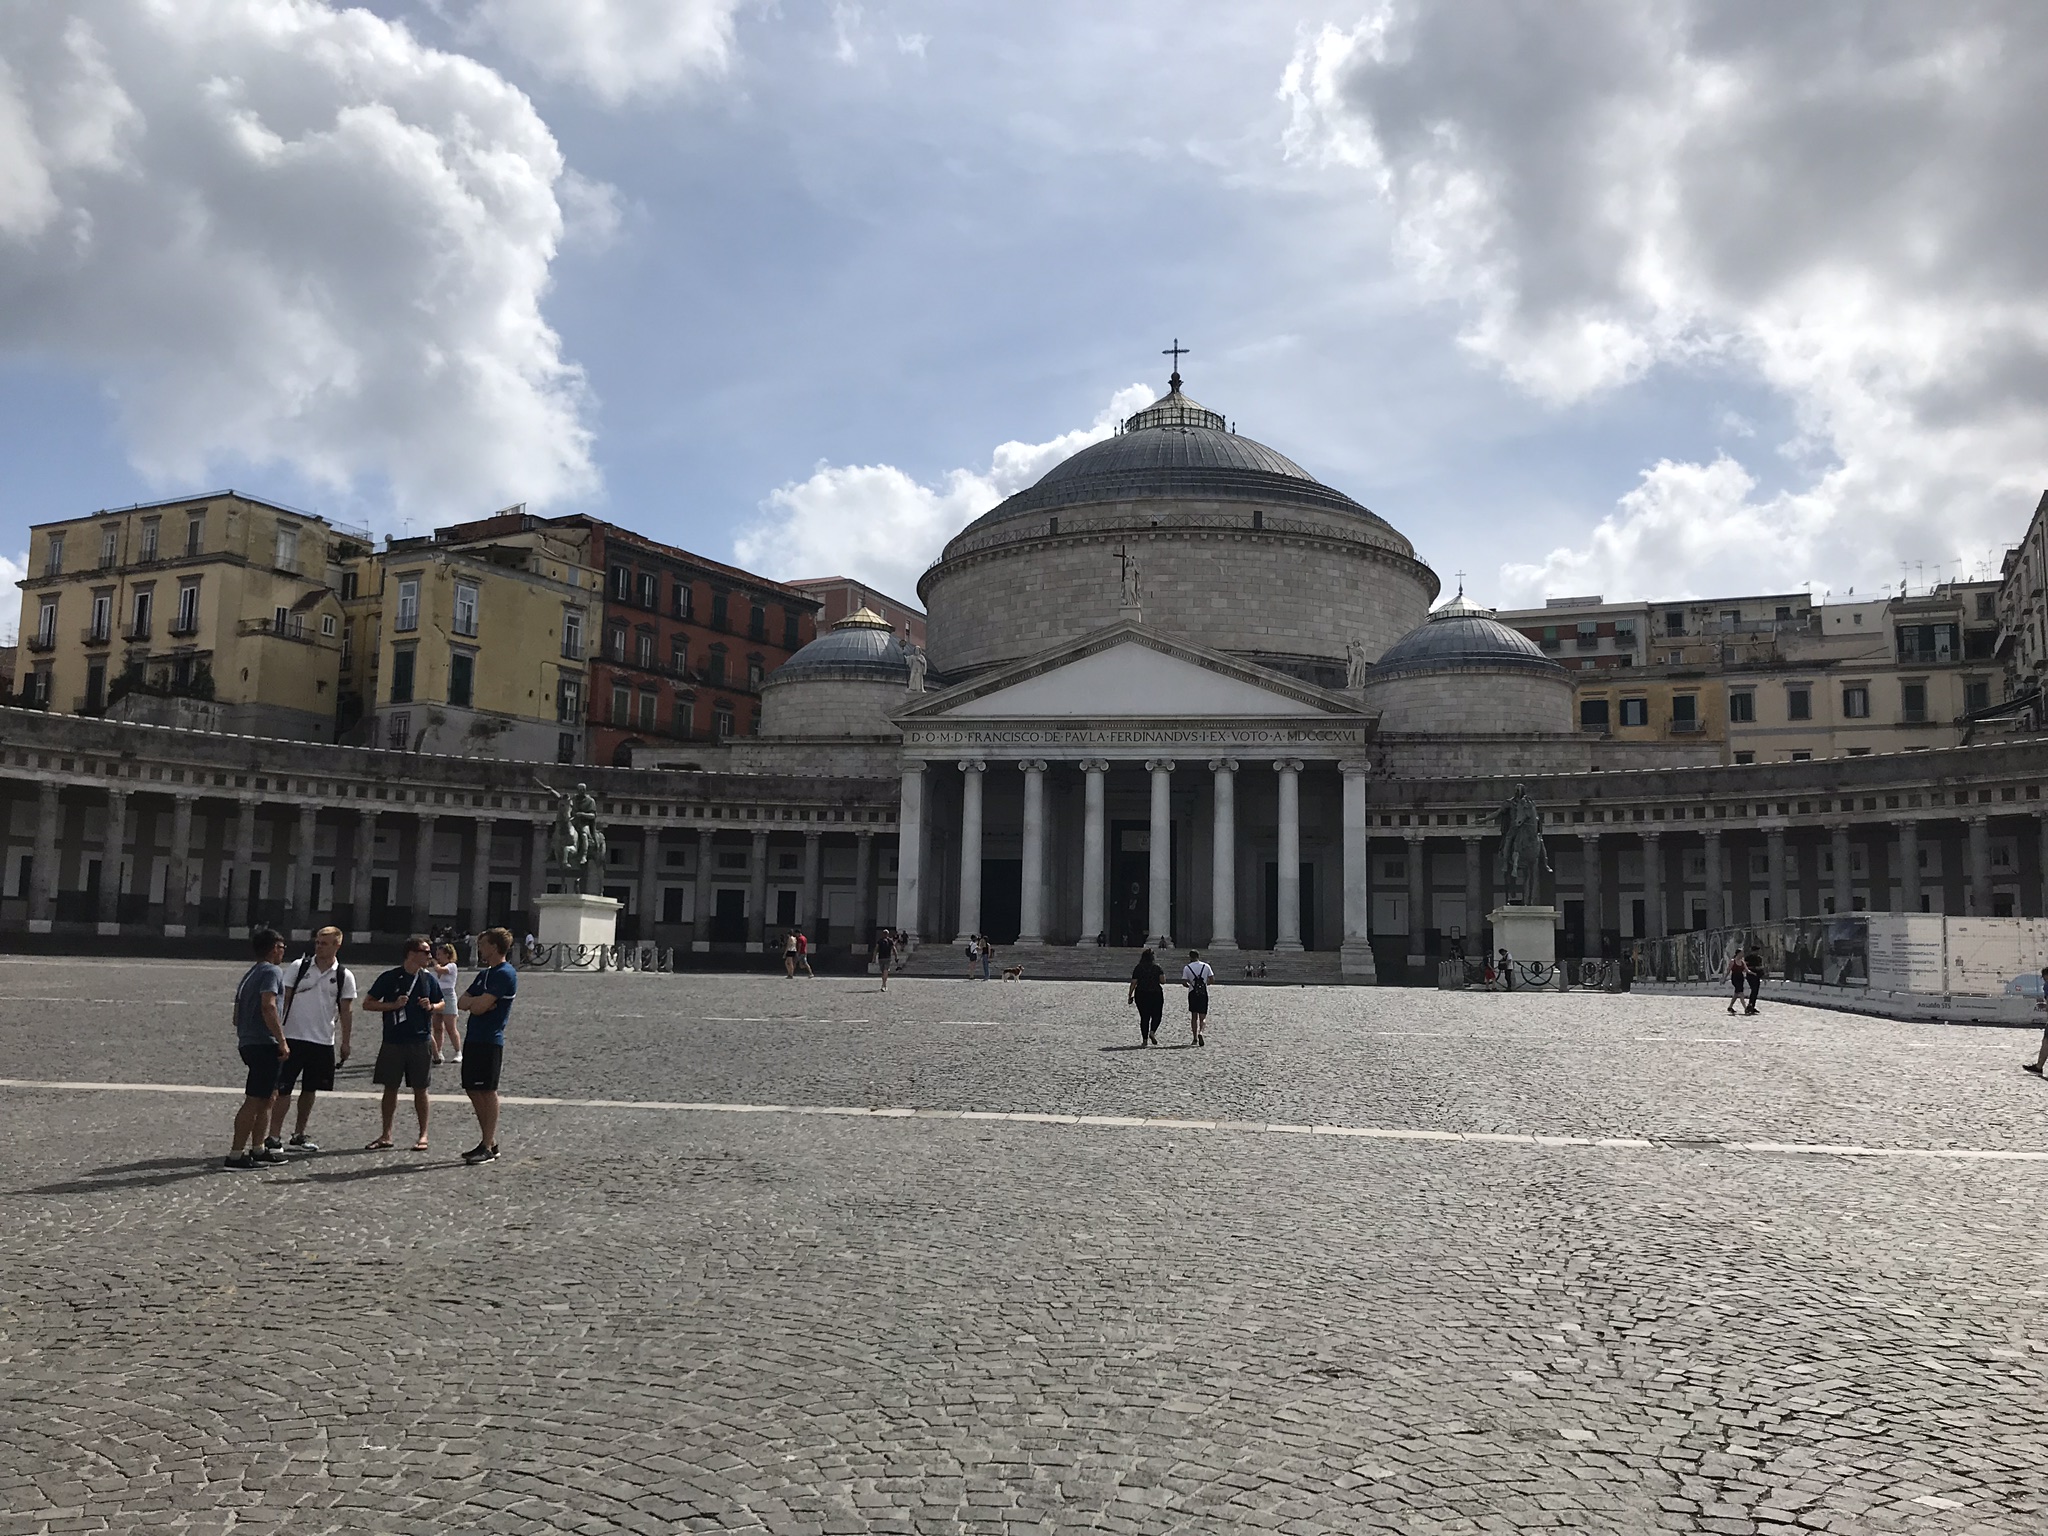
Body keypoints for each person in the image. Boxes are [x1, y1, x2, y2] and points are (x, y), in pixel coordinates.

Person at [265, 925, 357, 1154]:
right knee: (283, 1089)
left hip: (323, 1040)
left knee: (310, 1090)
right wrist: (278, 1034)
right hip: (293, 1036)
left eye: (324, 943)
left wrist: (346, 1042)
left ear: (338, 945)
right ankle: (273, 1137)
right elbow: (282, 999)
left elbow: (346, 1010)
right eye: (317, 942)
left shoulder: (344, 975)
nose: (319, 947)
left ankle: (298, 1135)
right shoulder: (299, 966)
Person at [362, 935, 443, 1152]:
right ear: (411, 954)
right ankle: (386, 1134)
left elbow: (442, 1002)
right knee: (390, 1088)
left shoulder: (429, 979)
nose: (430, 955)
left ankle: (423, 1134)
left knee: (421, 1089)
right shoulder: (389, 977)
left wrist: (432, 1007)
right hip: (393, 1040)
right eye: (425, 952)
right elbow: (367, 1004)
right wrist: (392, 1005)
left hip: (420, 1040)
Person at [226, 928, 291, 1169]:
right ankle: (235, 1154)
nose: (284, 952)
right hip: (264, 1042)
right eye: (282, 948)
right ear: (274, 948)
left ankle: (258, 1148)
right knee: (254, 1100)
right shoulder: (272, 971)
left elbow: (236, 1014)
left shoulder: (250, 973)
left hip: (248, 1040)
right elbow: (269, 1005)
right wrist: (282, 1039)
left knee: (268, 1098)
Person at [457, 927, 518, 1164]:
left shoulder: (505, 973)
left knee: (487, 1090)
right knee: (472, 1089)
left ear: (494, 947)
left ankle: (488, 1144)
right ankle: (488, 1142)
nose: (480, 948)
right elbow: (462, 1001)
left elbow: (480, 1007)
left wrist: (477, 1004)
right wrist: (476, 1003)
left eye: (483, 944)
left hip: (490, 1039)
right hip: (473, 1037)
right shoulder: (485, 974)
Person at [429, 940, 462, 1065]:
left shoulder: (451, 966)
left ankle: (458, 1052)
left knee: (450, 1027)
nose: (438, 956)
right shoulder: (437, 969)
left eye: (440, 954)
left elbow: (440, 970)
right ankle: (438, 1051)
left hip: (448, 997)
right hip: (437, 997)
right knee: (437, 1027)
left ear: (447, 955)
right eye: (437, 954)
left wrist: (434, 963)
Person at [1128, 947, 1165, 1046]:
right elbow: (1163, 981)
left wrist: (1130, 995)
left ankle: (1144, 1040)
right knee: (1157, 1015)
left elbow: (1134, 982)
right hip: (1156, 993)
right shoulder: (1157, 967)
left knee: (1144, 1017)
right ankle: (1152, 1032)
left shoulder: (1139, 967)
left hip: (1141, 993)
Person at [1182, 949, 1214, 1046]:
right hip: (1203, 993)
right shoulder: (1206, 966)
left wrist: (1190, 985)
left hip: (1192, 993)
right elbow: (1212, 980)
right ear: (1198, 956)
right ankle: (1201, 1032)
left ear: (1190, 957)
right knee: (1202, 1017)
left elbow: (1184, 982)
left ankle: (1195, 1038)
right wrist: (1204, 985)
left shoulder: (1187, 967)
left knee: (1194, 1016)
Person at [1726, 951, 1749, 1016]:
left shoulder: (1742, 962)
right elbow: (1728, 970)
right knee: (1741, 993)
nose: (1743, 954)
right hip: (1735, 978)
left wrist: (1753, 973)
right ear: (1738, 954)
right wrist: (1724, 978)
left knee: (1736, 993)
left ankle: (1730, 1007)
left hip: (1741, 978)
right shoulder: (1732, 961)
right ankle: (1745, 1008)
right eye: (1741, 953)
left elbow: (1746, 970)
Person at [1744, 950, 1764, 1015]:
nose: (1756, 953)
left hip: (1757, 976)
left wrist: (1760, 969)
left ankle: (1752, 1005)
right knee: (1754, 989)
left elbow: (1761, 966)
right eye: (1755, 951)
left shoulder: (1759, 958)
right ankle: (1750, 1005)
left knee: (1756, 991)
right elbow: (1745, 967)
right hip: (1750, 976)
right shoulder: (1748, 958)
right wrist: (1754, 968)